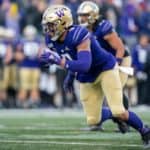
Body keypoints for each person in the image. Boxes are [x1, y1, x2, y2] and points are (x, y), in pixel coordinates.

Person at [39, 5, 150, 148]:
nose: (48, 29)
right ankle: (114, 115)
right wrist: (69, 76)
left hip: (104, 69)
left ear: (63, 23)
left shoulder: (79, 34)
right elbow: (72, 56)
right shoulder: (51, 39)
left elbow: (84, 64)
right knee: (93, 120)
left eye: (51, 25)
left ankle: (145, 130)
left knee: (119, 110)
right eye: (47, 25)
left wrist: (60, 62)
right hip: (86, 76)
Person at [77, 1, 132, 132]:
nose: (82, 18)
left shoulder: (103, 28)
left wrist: (116, 64)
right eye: (80, 15)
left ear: (93, 15)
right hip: (103, 62)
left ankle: (124, 123)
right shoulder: (81, 30)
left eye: (85, 15)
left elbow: (120, 48)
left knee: (114, 91)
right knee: (96, 92)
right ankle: (97, 121)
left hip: (120, 58)